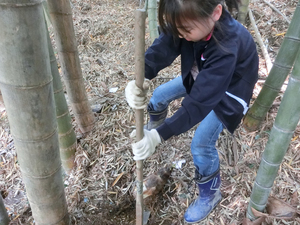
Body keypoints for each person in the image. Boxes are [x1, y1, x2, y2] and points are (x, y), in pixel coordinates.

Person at [125, 0, 259, 223]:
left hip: (231, 90)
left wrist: (160, 137)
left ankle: (210, 193)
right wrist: (141, 75)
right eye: (176, 29)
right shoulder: (189, 22)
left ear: (216, 13)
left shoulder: (227, 44)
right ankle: (154, 128)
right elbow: (165, 45)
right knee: (158, 96)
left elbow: (198, 103)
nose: (180, 35)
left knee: (201, 144)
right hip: (203, 72)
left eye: (185, 30)